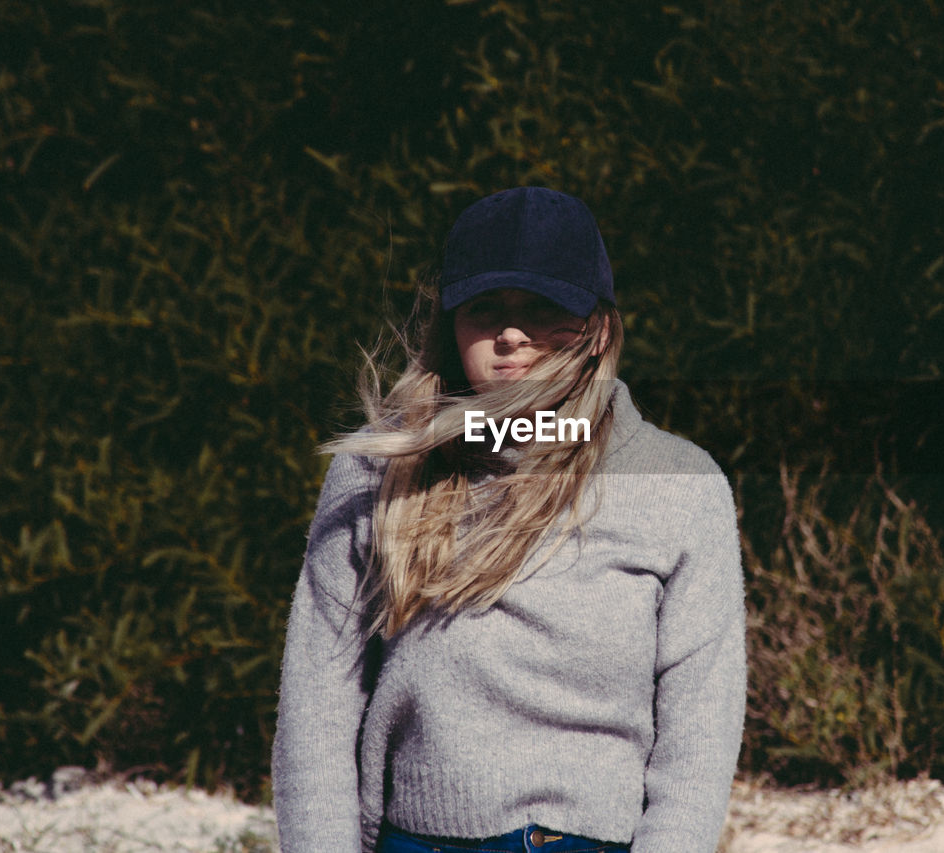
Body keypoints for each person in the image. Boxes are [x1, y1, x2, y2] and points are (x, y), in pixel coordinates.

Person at [272, 187, 746, 853]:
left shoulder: (682, 486)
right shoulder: (377, 475)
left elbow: (700, 733)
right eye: (484, 307)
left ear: (601, 327)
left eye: (545, 306)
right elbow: (316, 715)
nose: (512, 332)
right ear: (450, 324)